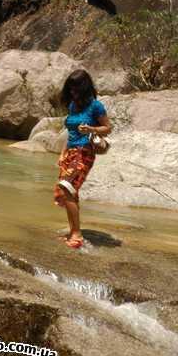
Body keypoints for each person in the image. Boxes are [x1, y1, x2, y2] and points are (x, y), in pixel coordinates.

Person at [54, 69, 111, 249]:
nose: (72, 91)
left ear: (84, 87)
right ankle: (73, 232)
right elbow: (70, 133)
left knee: (66, 188)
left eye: (75, 88)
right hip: (70, 152)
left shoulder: (95, 106)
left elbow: (108, 128)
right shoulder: (73, 105)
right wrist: (63, 152)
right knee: (70, 193)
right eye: (70, 88)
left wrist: (91, 129)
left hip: (84, 152)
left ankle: (77, 234)